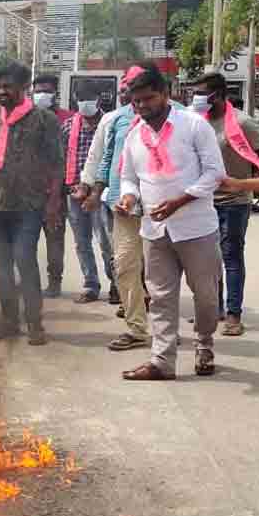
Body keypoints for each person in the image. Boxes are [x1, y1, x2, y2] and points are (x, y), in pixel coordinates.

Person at [117, 62, 225, 382]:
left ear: (165, 94)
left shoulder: (194, 126)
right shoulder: (134, 135)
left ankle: (204, 343)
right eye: (136, 102)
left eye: (148, 99)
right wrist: (128, 198)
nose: (141, 106)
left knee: (205, 295)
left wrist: (181, 200)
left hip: (196, 226)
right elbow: (129, 178)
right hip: (155, 229)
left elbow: (214, 173)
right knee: (161, 296)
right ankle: (162, 361)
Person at [0, 62, 64, 346]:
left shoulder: (44, 120)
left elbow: (57, 164)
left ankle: (35, 323)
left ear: (23, 88)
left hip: (29, 205)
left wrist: (53, 202)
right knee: (2, 265)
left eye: (7, 87)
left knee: (25, 260)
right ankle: (9, 320)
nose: (1, 92)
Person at [189, 72, 259, 337]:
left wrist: (252, 180)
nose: (197, 98)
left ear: (218, 95)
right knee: (207, 260)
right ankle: (212, 309)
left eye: (202, 93)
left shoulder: (242, 123)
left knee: (231, 257)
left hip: (234, 203)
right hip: (204, 202)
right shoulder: (196, 122)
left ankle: (233, 314)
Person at [79, 68, 150, 351]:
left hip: (165, 207)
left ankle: (165, 324)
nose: (129, 94)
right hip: (122, 205)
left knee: (160, 272)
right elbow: (99, 156)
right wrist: (90, 188)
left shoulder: (181, 117)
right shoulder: (113, 119)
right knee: (124, 265)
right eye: (127, 89)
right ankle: (137, 328)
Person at [62, 86, 118, 305]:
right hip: (74, 192)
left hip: (100, 192)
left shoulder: (109, 124)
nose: (85, 102)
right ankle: (90, 284)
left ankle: (116, 283)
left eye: (89, 98)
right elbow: (61, 159)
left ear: (98, 98)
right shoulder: (67, 127)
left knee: (106, 241)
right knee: (81, 242)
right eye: (81, 99)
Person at [31, 75, 68, 298]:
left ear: (55, 93)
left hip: (56, 191)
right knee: (26, 241)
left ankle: (55, 282)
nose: (42, 94)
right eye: (38, 90)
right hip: (28, 192)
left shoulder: (67, 119)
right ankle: (30, 281)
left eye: (47, 90)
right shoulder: (25, 118)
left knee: (54, 240)